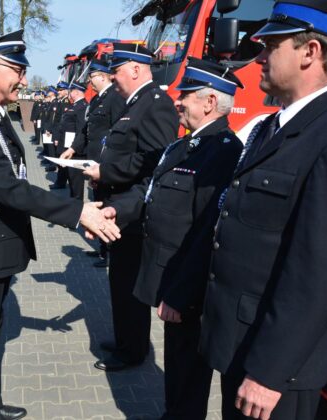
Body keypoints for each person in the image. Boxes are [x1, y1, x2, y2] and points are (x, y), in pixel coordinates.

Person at [199, 1, 327, 419]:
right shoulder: (273, 128)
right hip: (244, 344)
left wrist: (268, 372)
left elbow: (319, 276)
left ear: (310, 52)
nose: (258, 55)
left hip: (279, 369)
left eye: (270, 46)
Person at [0, 29, 120, 420]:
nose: (23, 79)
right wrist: (77, 213)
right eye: (17, 70)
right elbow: (9, 189)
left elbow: (15, 180)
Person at [101, 58, 244, 419]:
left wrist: (181, 294)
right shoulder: (183, 146)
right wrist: (118, 209)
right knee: (178, 371)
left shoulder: (223, 151)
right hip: (169, 276)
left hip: (189, 289)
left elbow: (208, 231)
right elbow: (150, 192)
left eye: (187, 95)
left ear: (210, 102)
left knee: (187, 376)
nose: (177, 101)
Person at [83, 42, 179, 372]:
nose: (114, 78)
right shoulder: (133, 104)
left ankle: (133, 349)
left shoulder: (155, 105)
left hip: (133, 213)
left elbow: (154, 163)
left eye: (117, 71)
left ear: (136, 69)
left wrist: (105, 171)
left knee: (129, 285)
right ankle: (125, 339)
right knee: (120, 282)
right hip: (119, 207)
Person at [61, 58, 125, 267]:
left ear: (104, 76)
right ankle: (102, 249)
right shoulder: (97, 100)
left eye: (93, 76)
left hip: (105, 163)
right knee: (98, 202)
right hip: (93, 161)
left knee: (107, 204)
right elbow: (86, 131)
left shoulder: (115, 98)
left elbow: (117, 134)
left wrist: (107, 163)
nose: (89, 80)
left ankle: (110, 253)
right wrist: (72, 149)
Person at [54, 81, 88, 200]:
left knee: (76, 181)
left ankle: (77, 205)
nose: (70, 93)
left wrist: (73, 148)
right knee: (72, 179)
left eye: (71, 91)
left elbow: (81, 130)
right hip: (69, 147)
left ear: (77, 92)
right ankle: (73, 203)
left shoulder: (82, 107)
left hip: (75, 150)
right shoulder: (75, 105)